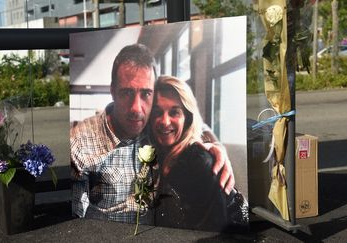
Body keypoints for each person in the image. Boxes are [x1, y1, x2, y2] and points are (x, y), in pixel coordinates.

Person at [70, 43, 235, 224]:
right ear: (112, 91)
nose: (136, 108)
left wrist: (215, 147)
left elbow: (188, 123)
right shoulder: (80, 147)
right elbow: (74, 224)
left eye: (146, 94)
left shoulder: (150, 125)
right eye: (126, 93)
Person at [150, 76, 248, 231]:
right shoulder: (155, 152)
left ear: (187, 118)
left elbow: (217, 233)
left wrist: (216, 147)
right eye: (157, 112)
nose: (165, 121)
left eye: (174, 112)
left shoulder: (199, 162)